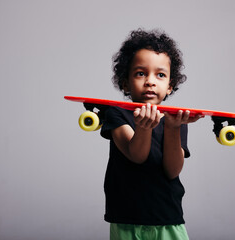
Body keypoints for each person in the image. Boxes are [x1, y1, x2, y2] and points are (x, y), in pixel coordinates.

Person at [100, 29, 203, 240]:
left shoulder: (176, 120)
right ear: (125, 82)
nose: (150, 81)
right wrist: (144, 127)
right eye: (140, 73)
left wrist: (173, 128)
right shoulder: (116, 114)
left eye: (160, 75)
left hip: (167, 216)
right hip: (127, 217)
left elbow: (172, 170)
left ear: (169, 86)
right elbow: (137, 155)